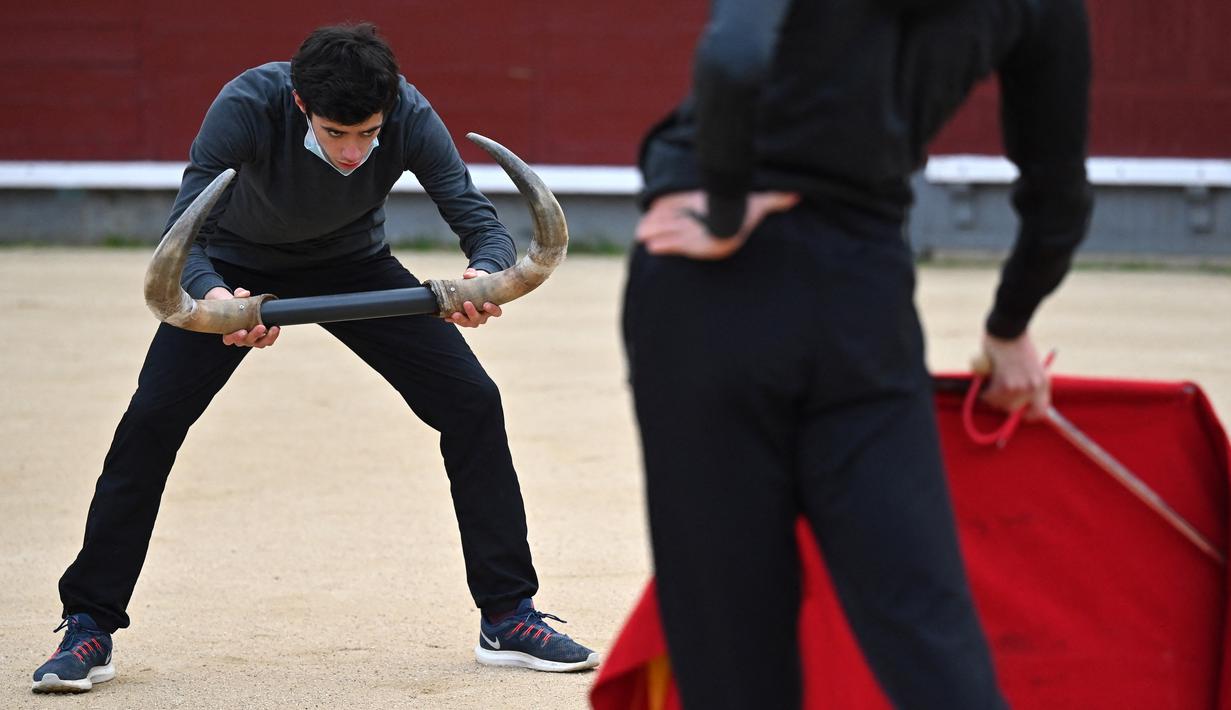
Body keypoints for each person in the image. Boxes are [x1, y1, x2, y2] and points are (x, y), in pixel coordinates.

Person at [32, 22, 598, 694]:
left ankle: (507, 615)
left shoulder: (408, 110)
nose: (354, 152)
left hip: (353, 263)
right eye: (336, 133)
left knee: (472, 402)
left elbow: (477, 219)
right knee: (149, 422)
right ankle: (90, 623)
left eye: (367, 133)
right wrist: (217, 298)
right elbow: (186, 234)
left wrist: (483, 274)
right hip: (236, 266)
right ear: (301, 104)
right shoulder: (246, 104)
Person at [623, 0, 1091, 707]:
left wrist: (725, 202)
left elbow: (733, 56)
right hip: (860, 292)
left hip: (705, 290)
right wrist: (1006, 325)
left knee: (730, 636)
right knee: (925, 623)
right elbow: (1059, 198)